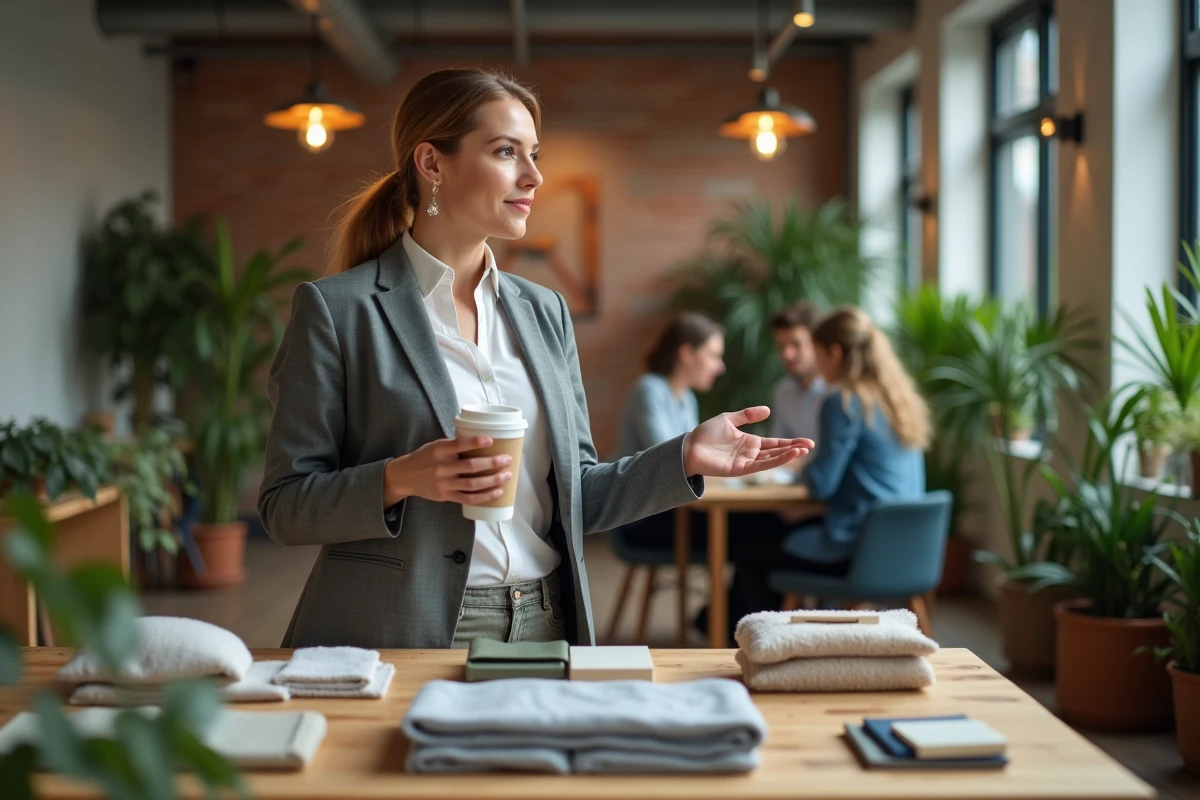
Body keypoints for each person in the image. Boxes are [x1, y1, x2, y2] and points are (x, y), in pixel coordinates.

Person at [257, 67, 813, 650]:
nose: (534, 175)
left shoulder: (543, 311)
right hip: (404, 628)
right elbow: (285, 505)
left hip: (545, 621)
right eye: (506, 152)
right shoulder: (337, 310)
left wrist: (685, 458)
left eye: (534, 154)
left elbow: (578, 495)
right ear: (432, 164)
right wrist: (402, 477)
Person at [725, 306, 929, 632]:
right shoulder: (898, 400)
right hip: (906, 552)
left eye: (818, 355)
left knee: (749, 553)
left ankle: (759, 646)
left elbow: (821, 485)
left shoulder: (843, 402)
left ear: (834, 353)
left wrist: (807, 464)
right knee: (774, 538)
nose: (818, 366)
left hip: (856, 550)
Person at [614, 313, 725, 552]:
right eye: (714, 355)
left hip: (673, 509)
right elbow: (674, 461)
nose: (720, 366)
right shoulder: (649, 390)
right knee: (743, 532)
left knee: (747, 530)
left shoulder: (687, 398)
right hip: (643, 518)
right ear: (686, 354)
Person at [768, 301, 827, 450]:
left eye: (796, 344)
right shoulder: (782, 393)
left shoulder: (838, 392)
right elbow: (777, 449)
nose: (787, 354)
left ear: (817, 344)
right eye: (781, 346)